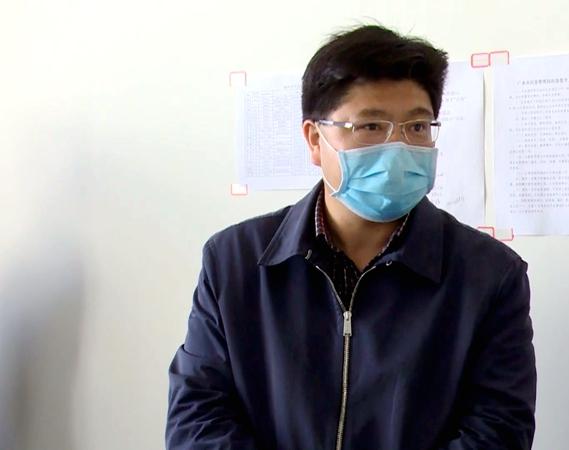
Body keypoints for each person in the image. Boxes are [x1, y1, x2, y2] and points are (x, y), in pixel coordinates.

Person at [166, 24, 536, 450]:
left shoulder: (490, 275)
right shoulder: (234, 261)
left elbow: (499, 430)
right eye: (371, 126)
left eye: (417, 127)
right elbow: (198, 417)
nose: (398, 148)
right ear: (314, 139)